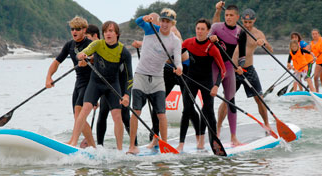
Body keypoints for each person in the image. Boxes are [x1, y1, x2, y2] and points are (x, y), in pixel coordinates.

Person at [127, 9, 183, 154]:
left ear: (172, 24)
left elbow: (178, 60)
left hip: (158, 79)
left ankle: (164, 145)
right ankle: (132, 146)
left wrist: (179, 68)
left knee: (161, 114)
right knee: (136, 111)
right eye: (163, 21)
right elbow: (138, 22)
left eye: (168, 22)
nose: (164, 24)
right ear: (160, 21)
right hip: (141, 75)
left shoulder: (175, 41)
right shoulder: (151, 28)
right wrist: (143, 17)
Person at [71, 21, 133, 150]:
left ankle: (120, 150)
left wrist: (126, 95)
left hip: (112, 85)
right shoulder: (97, 44)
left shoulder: (123, 51)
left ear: (117, 34)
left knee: (117, 115)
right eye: (105, 31)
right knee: (85, 108)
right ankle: (73, 143)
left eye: (110, 31)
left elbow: (129, 77)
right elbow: (82, 53)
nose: (107, 34)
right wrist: (81, 55)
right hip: (96, 83)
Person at [177, 18, 225, 152]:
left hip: (207, 81)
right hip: (191, 79)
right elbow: (176, 56)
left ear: (208, 31)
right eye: (198, 28)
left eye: (203, 29)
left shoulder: (212, 47)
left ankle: (211, 141)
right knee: (186, 110)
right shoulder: (188, 43)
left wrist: (216, 86)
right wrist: (178, 66)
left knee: (208, 111)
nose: (200, 31)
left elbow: (223, 70)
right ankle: (181, 143)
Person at [45, 16, 93, 145]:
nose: (74, 32)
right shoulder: (69, 45)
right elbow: (56, 62)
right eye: (72, 29)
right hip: (79, 82)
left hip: (90, 83)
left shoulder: (90, 44)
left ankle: (73, 141)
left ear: (84, 30)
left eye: (77, 29)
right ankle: (93, 147)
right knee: (77, 117)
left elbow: (95, 57)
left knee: (78, 114)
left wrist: (87, 60)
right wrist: (49, 77)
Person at [226, 8, 275, 135]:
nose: (247, 25)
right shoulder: (233, 30)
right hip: (234, 70)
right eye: (245, 22)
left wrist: (263, 43)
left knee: (260, 98)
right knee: (227, 99)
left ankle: (267, 124)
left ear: (254, 21)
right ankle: (219, 127)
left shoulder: (258, 34)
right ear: (241, 20)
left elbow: (271, 50)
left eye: (250, 22)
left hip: (249, 70)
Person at [210, 2, 246, 146]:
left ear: (237, 17)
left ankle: (233, 137)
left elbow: (242, 56)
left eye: (231, 15)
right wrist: (211, 39)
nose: (229, 18)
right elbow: (206, 40)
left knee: (231, 101)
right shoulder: (216, 27)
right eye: (227, 15)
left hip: (229, 67)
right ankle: (215, 131)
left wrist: (240, 67)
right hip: (213, 66)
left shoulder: (240, 32)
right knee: (209, 100)